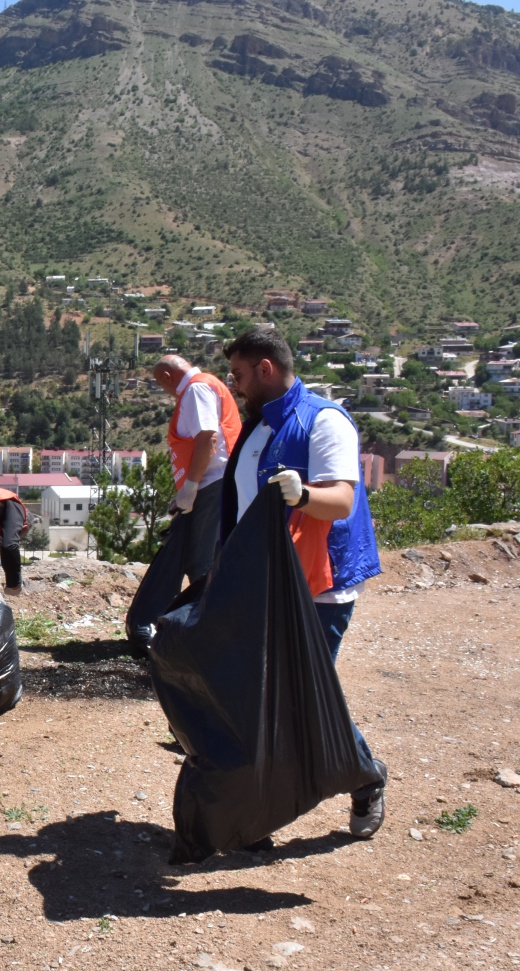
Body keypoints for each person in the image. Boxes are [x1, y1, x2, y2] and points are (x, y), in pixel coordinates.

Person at [219, 327, 388, 839]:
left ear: (266, 369)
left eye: (241, 375)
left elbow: (341, 501)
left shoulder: (324, 421)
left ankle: (366, 779)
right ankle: (258, 813)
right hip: (266, 582)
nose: (236, 385)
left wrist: (301, 494)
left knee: (302, 700)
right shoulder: (259, 428)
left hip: (317, 589)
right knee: (258, 698)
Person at [152, 354, 243, 585]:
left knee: (200, 559)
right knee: (212, 555)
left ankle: (202, 615)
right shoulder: (208, 383)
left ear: (166, 377)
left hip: (211, 483)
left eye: (162, 385)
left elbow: (207, 438)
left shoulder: (195, 389)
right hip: (221, 480)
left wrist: (191, 487)